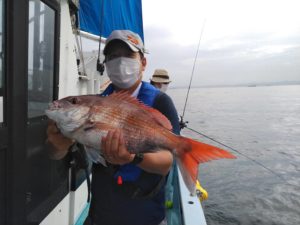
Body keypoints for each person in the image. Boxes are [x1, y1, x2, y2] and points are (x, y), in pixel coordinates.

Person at [47, 30, 180, 225]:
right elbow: (55, 154)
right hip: (101, 213)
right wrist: (58, 146)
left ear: (143, 63)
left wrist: (133, 158)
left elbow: (166, 163)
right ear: (106, 64)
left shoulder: (161, 102)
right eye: (113, 56)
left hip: (144, 215)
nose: (120, 61)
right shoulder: (98, 102)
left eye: (128, 55)